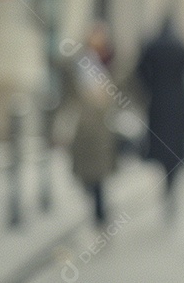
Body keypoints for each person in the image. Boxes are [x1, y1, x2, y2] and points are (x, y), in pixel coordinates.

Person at [135, 17, 184, 222]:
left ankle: (166, 182)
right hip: (178, 103)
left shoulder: (153, 45)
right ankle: (170, 183)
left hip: (159, 102)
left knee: (162, 148)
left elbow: (140, 71)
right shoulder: (180, 46)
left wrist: (151, 87)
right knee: (174, 150)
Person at [63, 21, 119, 227]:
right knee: (88, 173)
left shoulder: (110, 61)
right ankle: (98, 209)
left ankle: (100, 212)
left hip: (101, 127)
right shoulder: (82, 62)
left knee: (98, 175)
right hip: (86, 126)